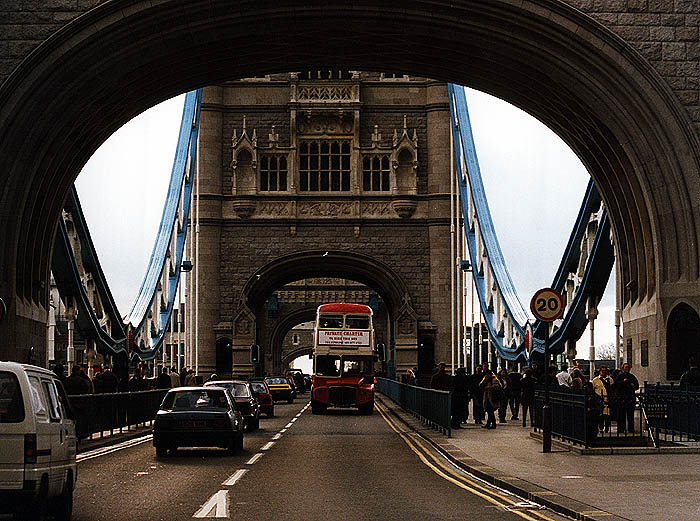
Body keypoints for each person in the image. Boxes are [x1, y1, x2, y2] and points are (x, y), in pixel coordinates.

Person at [613, 362, 639, 434]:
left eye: (628, 367)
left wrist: (633, 385)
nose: (627, 369)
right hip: (621, 398)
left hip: (630, 398)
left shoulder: (632, 377)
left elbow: (637, 386)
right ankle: (621, 429)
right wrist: (622, 382)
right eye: (626, 367)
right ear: (623, 368)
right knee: (621, 415)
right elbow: (616, 385)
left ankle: (631, 429)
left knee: (630, 415)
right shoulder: (619, 376)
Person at [591, 365, 613, 432]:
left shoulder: (610, 380)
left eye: (605, 371)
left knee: (607, 415)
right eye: (602, 371)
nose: (603, 372)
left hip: (608, 399)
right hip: (599, 400)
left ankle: (607, 428)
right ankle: (601, 428)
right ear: (599, 372)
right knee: (600, 415)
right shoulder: (595, 380)